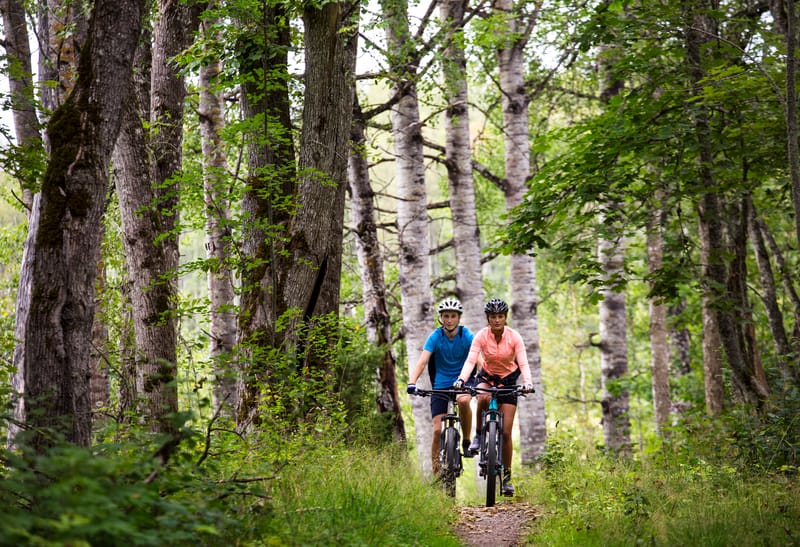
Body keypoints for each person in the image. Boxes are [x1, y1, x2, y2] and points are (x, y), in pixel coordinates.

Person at [454, 298, 533, 497]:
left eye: (500, 316)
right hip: (487, 378)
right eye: (493, 317)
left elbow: (523, 362)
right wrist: (461, 380)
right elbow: (471, 360)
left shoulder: (514, 337)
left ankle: (507, 477)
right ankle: (479, 435)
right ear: (488, 319)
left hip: (508, 381)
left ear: (505, 318)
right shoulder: (481, 335)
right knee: (482, 398)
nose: (497, 320)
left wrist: (528, 382)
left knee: (506, 433)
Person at [407, 298, 480, 478]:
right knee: (438, 430)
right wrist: (412, 382)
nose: (449, 320)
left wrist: (482, 377)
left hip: (463, 381)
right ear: (440, 318)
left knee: (463, 401)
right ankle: (436, 472)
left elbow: (478, 359)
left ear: (459, 318)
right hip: (441, 384)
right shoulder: (435, 336)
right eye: (445, 316)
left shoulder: (466, 335)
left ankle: (466, 440)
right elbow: (423, 361)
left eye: (453, 316)